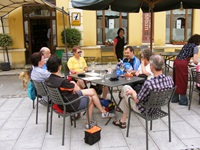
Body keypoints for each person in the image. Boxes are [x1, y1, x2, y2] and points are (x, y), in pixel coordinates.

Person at [45, 55, 115, 129]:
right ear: (59, 67)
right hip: (69, 104)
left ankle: (103, 112)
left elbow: (73, 90)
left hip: (62, 101)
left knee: (92, 91)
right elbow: (77, 90)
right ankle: (89, 123)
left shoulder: (49, 80)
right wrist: (74, 84)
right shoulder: (63, 82)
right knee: (90, 99)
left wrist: (73, 84)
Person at [113, 55, 174, 129]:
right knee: (127, 97)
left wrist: (133, 92)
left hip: (145, 109)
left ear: (152, 66)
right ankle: (122, 121)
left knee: (126, 88)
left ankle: (121, 96)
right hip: (157, 108)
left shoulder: (149, 83)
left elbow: (136, 100)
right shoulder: (169, 79)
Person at [172, 34, 200, 106]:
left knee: (176, 80)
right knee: (182, 81)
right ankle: (183, 101)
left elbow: (184, 55)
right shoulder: (196, 47)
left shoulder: (186, 45)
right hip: (182, 64)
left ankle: (174, 99)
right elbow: (195, 61)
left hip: (176, 61)